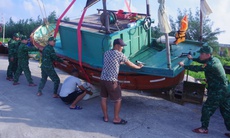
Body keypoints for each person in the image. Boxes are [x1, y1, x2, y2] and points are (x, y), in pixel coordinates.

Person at [178, 45, 230, 137]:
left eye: (202, 54)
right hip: (225, 89)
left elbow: (198, 68)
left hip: (219, 91)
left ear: (207, 55)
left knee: (207, 109)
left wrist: (184, 66)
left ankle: (204, 129)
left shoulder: (211, 64)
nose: (200, 55)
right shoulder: (215, 59)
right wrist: (193, 58)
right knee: (225, 111)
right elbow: (201, 60)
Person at [100, 38, 143, 124]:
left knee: (103, 98)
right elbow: (130, 64)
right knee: (118, 100)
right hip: (112, 81)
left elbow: (112, 61)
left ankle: (105, 117)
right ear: (116, 46)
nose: (122, 48)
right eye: (121, 46)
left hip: (102, 79)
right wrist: (139, 67)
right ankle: (116, 118)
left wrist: (120, 62)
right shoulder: (120, 54)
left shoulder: (106, 53)